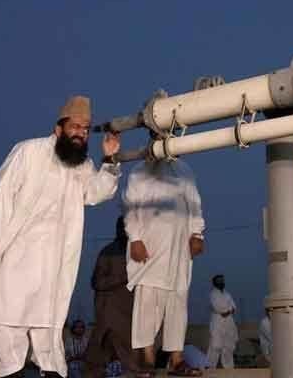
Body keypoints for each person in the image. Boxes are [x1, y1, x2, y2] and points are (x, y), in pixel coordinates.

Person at [0, 95, 122, 378]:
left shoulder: (82, 165)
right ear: (58, 128)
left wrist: (110, 159)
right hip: (16, 256)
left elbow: (96, 192)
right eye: (75, 126)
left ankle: (49, 369)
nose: (81, 133)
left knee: (47, 327)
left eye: (86, 128)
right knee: (5, 320)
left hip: (53, 264)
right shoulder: (28, 152)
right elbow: (2, 198)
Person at [123, 156, 206, 377]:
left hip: (179, 249)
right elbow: (130, 208)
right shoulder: (139, 172)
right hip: (148, 248)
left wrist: (197, 232)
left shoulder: (183, 169)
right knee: (147, 305)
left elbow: (194, 204)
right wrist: (135, 238)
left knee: (177, 303)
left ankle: (176, 361)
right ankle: (147, 361)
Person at [85, 216, 138, 377]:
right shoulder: (108, 252)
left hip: (129, 316)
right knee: (97, 358)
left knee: (132, 361)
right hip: (108, 315)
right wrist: (124, 277)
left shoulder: (138, 252)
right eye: (123, 227)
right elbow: (97, 282)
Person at [206, 275, 238, 369]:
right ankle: (210, 368)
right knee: (215, 346)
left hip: (229, 323)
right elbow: (219, 309)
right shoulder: (213, 294)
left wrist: (228, 310)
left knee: (228, 347)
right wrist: (228, 310)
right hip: (217, 323)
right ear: (215, 283)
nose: (221, 282)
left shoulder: (227, 294)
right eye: (219, 281)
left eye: (222, 280)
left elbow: (234, 307)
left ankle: (229, 369)